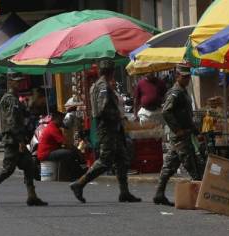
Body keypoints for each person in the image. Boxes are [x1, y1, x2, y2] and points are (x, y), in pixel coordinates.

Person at [69, 60, 141, 203]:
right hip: (108, 128)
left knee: (122, 159)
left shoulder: (101, 85)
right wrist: (118, 116)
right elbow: (103, 109)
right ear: (111, 72)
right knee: (105, 160)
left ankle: (124, 192)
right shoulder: (102, 86)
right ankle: (79, 183)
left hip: (113, 127)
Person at [0, 72, 47, 207]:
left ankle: (32, 195)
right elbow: (12, 121)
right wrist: (20, 141)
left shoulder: (14, 98)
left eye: (21, 81)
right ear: (10, 82)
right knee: (8, 169)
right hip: (13, 139)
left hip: (15, 138)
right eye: (17, 81)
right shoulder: (10, 99)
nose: (19, 83)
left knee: (29, 165)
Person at [153, 65, 203, 206]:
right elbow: (166, 111)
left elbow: (187, 116)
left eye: (188, 77)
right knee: (191, 164)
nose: (187, 79)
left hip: (185, 133)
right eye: (184, 77)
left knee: (170, 164)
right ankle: (199, 197)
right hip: (180, 135)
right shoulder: (175, 92)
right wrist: (177, 129)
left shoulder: (183, 91)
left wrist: (196, 132)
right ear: (177, 76)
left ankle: (159, 193)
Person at [37, 111, 86, 181]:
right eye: (61, 119)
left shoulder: (54, 127)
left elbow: (63, 143)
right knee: (68, 153)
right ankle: (77, 173)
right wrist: (77, 151)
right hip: (46, 154)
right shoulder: (52, 128)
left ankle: (72, 172)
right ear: (56, 119)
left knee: (68, 152)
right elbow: (65, 143)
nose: (62, 121)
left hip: (50, 152)